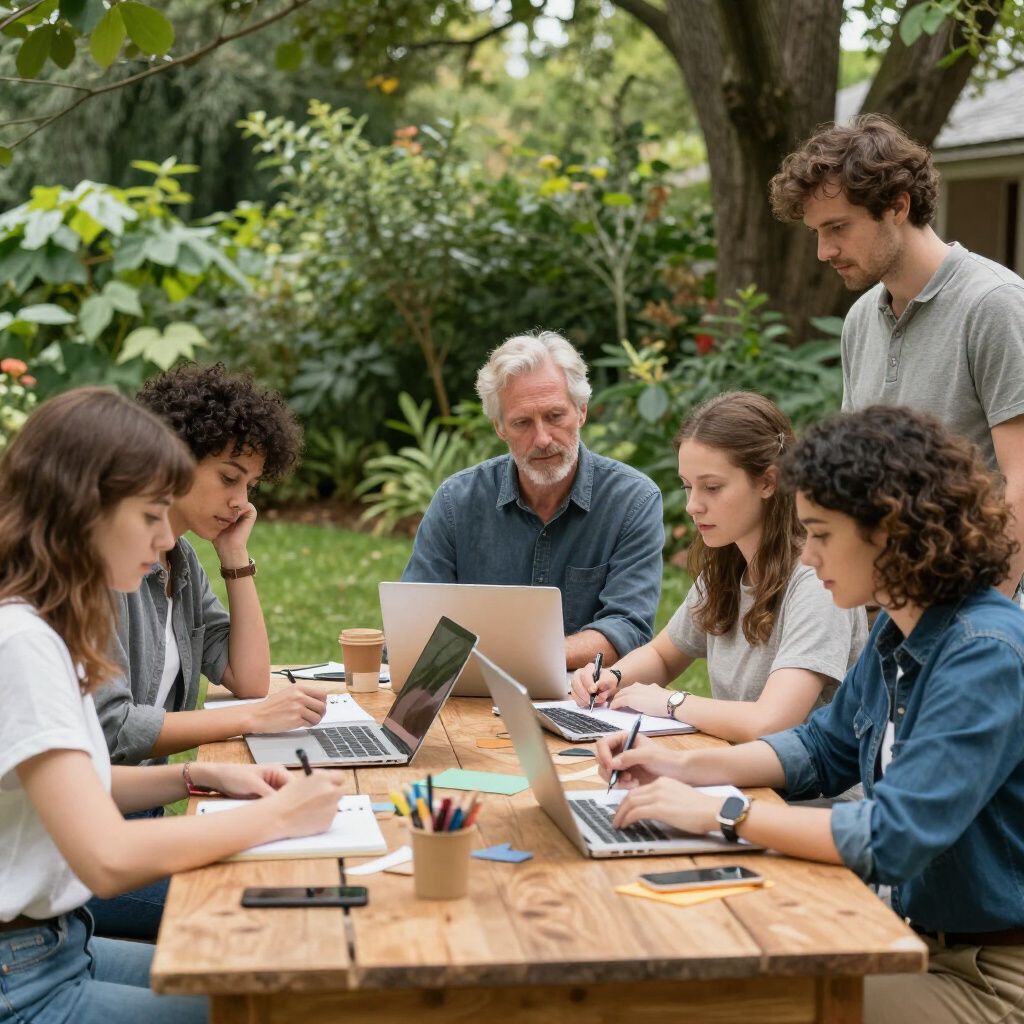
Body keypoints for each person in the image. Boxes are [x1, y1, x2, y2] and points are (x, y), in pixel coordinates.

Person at [597, 405, 1024, 1023]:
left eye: (822, 534)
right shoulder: (901, 634)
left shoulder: (983, 656)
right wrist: (681, 769)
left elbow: (892, 836)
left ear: (888, 530)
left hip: (991, 976)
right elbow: (819, 750)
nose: (807, 556)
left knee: (720, 1004)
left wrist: (723, 810)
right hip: (908, 937)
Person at [0, 388, 345, 1024]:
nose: (165, 537)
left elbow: (81, 784)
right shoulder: (23, 644)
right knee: (288, 1009)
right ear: (87, 507)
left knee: (279, 994)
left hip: (58, 947)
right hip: (23, 980)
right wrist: (281, 816)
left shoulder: (41, 628)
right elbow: (105, 858)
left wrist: (196, 774)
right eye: (150, 514)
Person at [88, 363, 330, 939]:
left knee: (284, 869)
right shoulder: (106, 571)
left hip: (135, 818)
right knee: (263, 893)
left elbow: (246, 676)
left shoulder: (181, 563)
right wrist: (250, 720)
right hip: (96, 840)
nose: (241, 502)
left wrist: (235, 556)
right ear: (174, 456)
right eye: (229, 478)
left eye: (250, 486)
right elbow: (111, 728)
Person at [769, 113, 1024, 601]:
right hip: (894, 612)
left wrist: (986, 620)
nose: (824, 250)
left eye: (838, 227)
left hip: (981, 612)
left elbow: (1021, 484)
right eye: (817, 232)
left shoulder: (995, 305)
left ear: (897, 206)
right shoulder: (861, 318)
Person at [570, 391, 865, 744]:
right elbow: (664, 655)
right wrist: (613, 678)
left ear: (768, 482)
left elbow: (771, 723)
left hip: (806, 794)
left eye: (712, 487)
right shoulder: (729, 564)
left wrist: (671, 701)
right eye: (687, 487)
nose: (693, 505)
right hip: (740, 772)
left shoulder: (816, 581)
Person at [401, 330, 665, 669]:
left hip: (584, 700)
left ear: (581, 411)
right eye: (522, 422)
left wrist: (520, 658)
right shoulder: (457, 501)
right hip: (472, 692)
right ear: (499, 427)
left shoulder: (633, 501)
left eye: (555, 416)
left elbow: (627, 627)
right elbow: (415, 621)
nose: (542, 439)